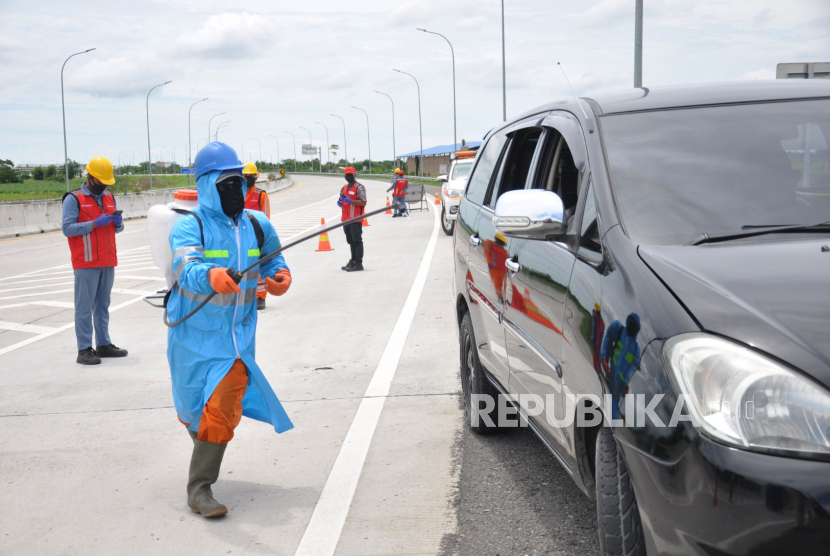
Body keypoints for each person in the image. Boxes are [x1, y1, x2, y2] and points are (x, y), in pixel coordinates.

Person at [167, 142, 294, 518]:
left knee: (223, 407)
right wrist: (211, 275)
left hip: (236, 338)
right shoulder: (191, 226)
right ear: (207, 186)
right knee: (196, 411)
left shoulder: (258, 224)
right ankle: (206, 450)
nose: (234, 191)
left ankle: (199, 488)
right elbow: (185, 267)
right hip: (192, 336)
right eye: (225, 184)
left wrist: (280, 277)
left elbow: (275, 260)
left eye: (238, 183)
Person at [61, 156, 128, 365]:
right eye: (100, 182)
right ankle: (84, 350)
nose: (103, 186)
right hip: (86, 262)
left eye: (106, 182)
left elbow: (117, 228)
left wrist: (118, 224)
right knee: (84, 308)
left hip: (108, 260)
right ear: (89, 177)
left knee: (102, 306)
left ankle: (104, 344)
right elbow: (67, 228)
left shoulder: (109, 196)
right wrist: (94, 223)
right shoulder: (74, 198)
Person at [601, 313, 641, 419]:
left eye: (635, 326)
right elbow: (607, 341)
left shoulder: (636, 351)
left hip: (617, 391)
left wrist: (626, 386)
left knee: (611, 419)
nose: (632, 328)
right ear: (627, 321)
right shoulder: (617, 329)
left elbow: (631, 371)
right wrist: (604, 359)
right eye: (631, 324)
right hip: (605, 377)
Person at [242, 162, 271, 310]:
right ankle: (245, 297)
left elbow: (266, 219)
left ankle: (260, 297)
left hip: (256, 238)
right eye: (245, 176)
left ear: (256, 176)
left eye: (250, 176)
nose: (247, 179)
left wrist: (264, 238)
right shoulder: (236, 194)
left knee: (258, 267)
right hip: (240, 238)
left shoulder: (261, 195)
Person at [338, 166, 367, 272]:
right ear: (344, 175)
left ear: (355, 175)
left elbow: (363, 202)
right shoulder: (344, 187)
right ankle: (353, 260)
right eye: (347, 175)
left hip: (355, 218)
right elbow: (342, 199)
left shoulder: (359, 187)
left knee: (357, 241)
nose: (349, 176)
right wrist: (340, 202)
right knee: (350, 241)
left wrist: (352, 201)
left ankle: (359, 263)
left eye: (351, 174)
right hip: (346, 219)